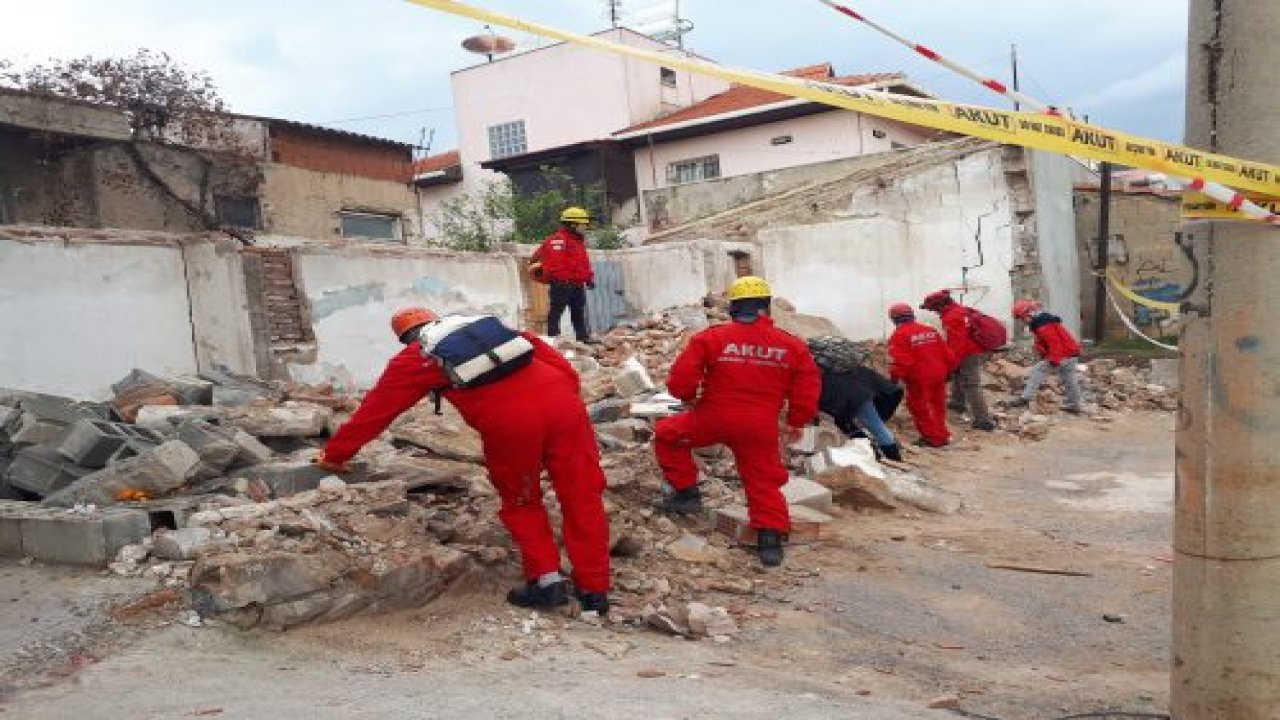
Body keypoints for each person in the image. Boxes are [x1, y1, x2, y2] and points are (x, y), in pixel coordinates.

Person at [313, 307, 611, 614]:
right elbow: (564, 368)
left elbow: (374, 413)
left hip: (510, 424)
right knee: (582, 496)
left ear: (405, 339)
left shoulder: (418, 357)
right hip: (565, 407)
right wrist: (564, 404)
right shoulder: (487, 329)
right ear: (437, 319)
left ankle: (547, 583)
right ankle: (595, 592)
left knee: (522, 500)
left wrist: (335, 455)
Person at [653, 276, 820, 567]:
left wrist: (688, 397)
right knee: (763, 480)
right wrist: (796, 421)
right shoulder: (791, 345)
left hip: (713, 418)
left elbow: (681, 379)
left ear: (733, 307)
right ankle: (769, 541)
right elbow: (807, 389)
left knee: (667, 434)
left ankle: (686, 493)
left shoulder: (712, 337)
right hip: (759, 426)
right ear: (766, 307)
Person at [806, 336, 905, 462]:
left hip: (855, 397)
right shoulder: (840, 364)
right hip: (864, 389)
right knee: (849, 424)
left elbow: (818, 397)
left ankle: (894, 458)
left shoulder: (817, 369)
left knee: (875, 427)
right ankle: (874, 453)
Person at [920, 289, 996, 432]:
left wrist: (951, 363)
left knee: (971, 384)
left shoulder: (952, 317)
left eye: (933, 309)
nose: (933, 312)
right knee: (957, 375)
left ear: (940, 306)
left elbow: (957, 344)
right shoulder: (958, 310)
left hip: (969, 352)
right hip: (971, 348)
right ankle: (957, 402)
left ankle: (983, 420)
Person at [887, 302, 955, 448]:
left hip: (919, 378)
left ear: (894, 319)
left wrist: (893, 379)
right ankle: (942, 433)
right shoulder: (930, 330)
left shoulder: (899, 335)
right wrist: (950, 371)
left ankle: (934, 439)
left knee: (920, 407)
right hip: (939, 374)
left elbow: (901, 361)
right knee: (938, 405)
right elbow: (947, 354)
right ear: (912, 315)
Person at [532, 206, 596, 343]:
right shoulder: (557, 240)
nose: (586, 227)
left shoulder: (578, 241)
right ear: (573, 224)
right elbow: (556, 264)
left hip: (577, 284)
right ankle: (553, 340)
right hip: (562, 285)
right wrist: (561, 281)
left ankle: (583, 338)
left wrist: (588, 278)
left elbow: (583, 262)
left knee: (578, 313)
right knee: (556, 313)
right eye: (583, 224)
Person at [1008, 299, 1084, 414]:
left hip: (1062, 354)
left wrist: (1054, 359)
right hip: (1070, 353)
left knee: (1037, 370)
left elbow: (1054, 342)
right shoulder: (1044, 320)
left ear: (1028, 313)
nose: (1022, 321)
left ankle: (1026, 398)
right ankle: (1074, 405)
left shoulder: (1043, 324)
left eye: (1021, 317)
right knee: (1070, 379)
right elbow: (1048, 342)